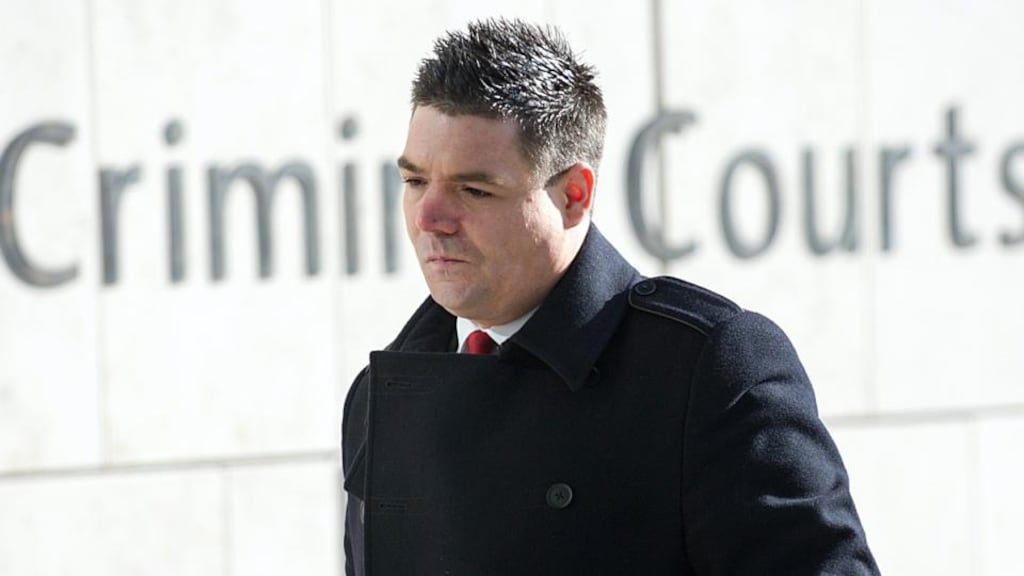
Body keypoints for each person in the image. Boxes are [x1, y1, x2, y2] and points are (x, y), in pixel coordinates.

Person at [341, 18, 879, 575]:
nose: (430, 218)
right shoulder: (382, 392)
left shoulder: (709, 369)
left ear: (573, 196)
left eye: (475, 190)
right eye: (414, 182)